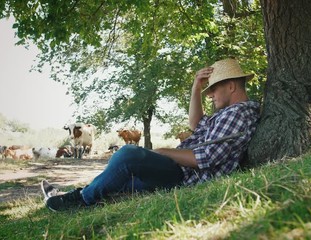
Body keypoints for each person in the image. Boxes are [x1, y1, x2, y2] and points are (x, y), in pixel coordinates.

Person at [41, 58, 260, 211]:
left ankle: (78, 200)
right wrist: (195, 86)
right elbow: (196, 124)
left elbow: (206, 158)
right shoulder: (225, 114)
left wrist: (165, 152)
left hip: (185, 176)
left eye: (212, 90)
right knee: (119, 184)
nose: (210, 95)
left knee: (128, 155)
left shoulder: (238, 113)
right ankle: (68, 197)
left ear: (230, 86)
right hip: (180, 173)